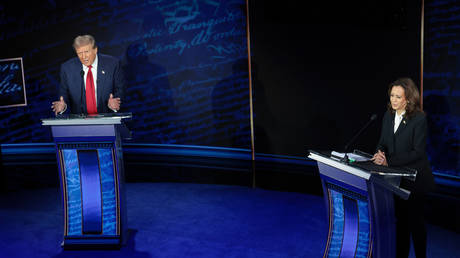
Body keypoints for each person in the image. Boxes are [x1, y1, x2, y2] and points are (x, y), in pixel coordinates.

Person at [372, 77, 435, 258]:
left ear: (408, 99)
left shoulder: (419, 119)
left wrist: (388, 162)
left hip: (416, 181)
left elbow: (418, 152)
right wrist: (379, 153)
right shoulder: (388, 115)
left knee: (415, 224)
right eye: (392, 95)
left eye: (398, 97)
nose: (393, 100)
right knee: (401, 223)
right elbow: (382, 142)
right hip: (396, 179)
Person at [52, 35, 125, 115]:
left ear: (95, 50)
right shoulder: (67, 68)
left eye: (87, 52)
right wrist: (63, 106)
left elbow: (120, 89)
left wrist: (115, 103)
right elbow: (63, 95)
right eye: (80, 53)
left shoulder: (112, 64)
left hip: (108, 118)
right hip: (80, 122)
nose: (84, 57)